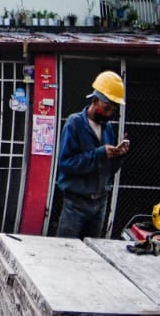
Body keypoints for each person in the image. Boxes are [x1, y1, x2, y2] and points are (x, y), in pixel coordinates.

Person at [55, 71, 130, 239]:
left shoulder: (107, 128)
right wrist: (99, 154)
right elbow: (66, 164)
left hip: (100, 202)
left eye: (113, 109)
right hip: (76, 203)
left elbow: (109, 170)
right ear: (95, 100)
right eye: (106, 108)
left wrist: (118, 156)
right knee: (66, 251)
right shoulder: (75, 124)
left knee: (91, 253)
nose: (109, 113)